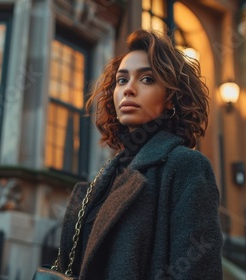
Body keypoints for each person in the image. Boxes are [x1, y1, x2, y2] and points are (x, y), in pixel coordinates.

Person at [54, 29, 223, 279]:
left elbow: (197, 271)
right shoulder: (110, 173)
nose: (128, 89)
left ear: (170, 97)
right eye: (122, 80)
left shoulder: (185, 166)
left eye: (146, 79)